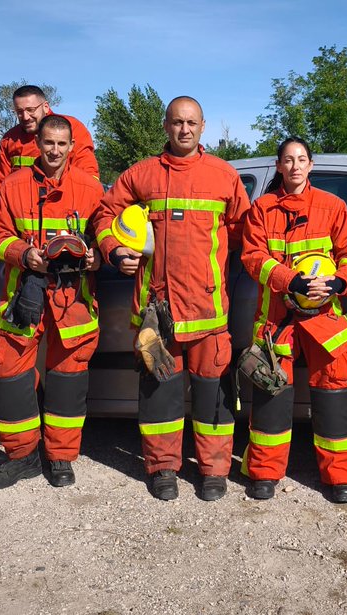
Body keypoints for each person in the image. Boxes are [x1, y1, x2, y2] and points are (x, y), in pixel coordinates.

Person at [93, 96, 250, 502]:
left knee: (213, 396)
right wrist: (114, 249)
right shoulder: (141, 174)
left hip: (209, 311)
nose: (184, 129)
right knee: (158, 392)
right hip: (156, 310)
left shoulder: (223, 175)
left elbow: (243, 234)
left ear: (203, 127)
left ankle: (213, 470)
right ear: (166, 126)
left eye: (191, 122)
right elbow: (103, 216)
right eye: (177, 122)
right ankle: (162, 469)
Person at [238, 137, 347, 503]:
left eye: (301, 160)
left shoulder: (333, 206)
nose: (295, 166)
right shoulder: (262, 208)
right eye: (288, 160)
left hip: (326, 318)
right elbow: (252, 257)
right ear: (279, 166)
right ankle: (264, 472)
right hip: (277, 317)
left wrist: (342, 281)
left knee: (334, 395)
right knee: (271, 393)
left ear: (311, 165)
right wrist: (288, 280)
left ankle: (340, 476)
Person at [0, 115, 104, 490]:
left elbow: (107, 232)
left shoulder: (90, 187)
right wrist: (22, 253)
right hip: (23, 295)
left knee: (69, 380)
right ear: (38, 144)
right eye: (48, 143)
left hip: (74, 298)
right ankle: (22, 458)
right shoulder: (14, 185)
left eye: (61, 144)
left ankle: (62, 458)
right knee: (10, 374)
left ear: (71, 146)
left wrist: (96, 255)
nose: (54, 151)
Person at [0, 85, 99, 190]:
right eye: (19, 112)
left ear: (45, 107)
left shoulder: (72, 129)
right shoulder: (10, 139)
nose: (25, 117)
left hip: (65, 204)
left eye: (31, 110)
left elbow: (88, 177)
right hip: (22, 207)